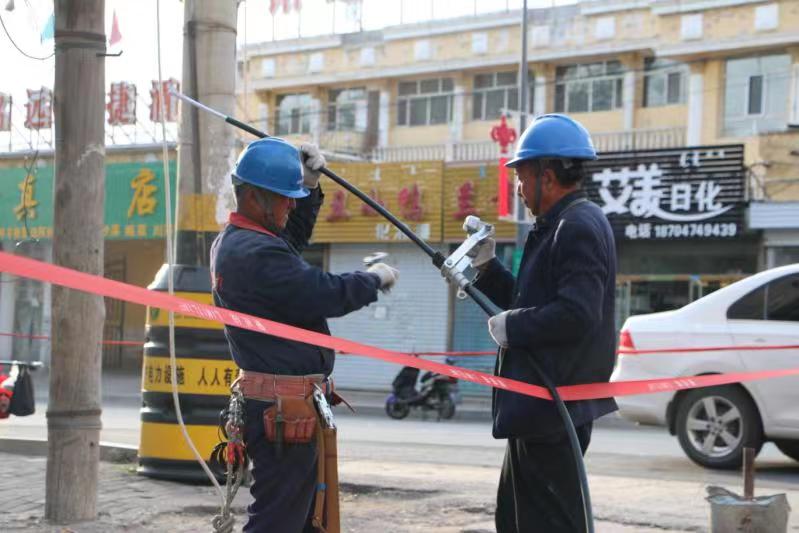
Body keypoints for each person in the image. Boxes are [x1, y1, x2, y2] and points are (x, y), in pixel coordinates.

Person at [210, 137, 399, 532]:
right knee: (279, 521)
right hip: (283, 410)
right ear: (258, 198)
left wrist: (310, 187)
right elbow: (322, 292)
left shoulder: (242, 242)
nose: (291, 204)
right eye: (286, 197)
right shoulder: (255, 254)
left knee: (306, 519)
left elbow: (289, 239)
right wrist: (372, 280)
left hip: (288, 405)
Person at [467, 114, 618, 533]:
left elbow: (577, 313)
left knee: (545, 525)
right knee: (515, 520)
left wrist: (513, 327)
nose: (518, 187)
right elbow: (532, 301)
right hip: (537, 408)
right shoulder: (560, 224)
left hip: (553, 408)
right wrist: (487, 269)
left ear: (546, 176)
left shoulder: (577, 226)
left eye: (521, 176)